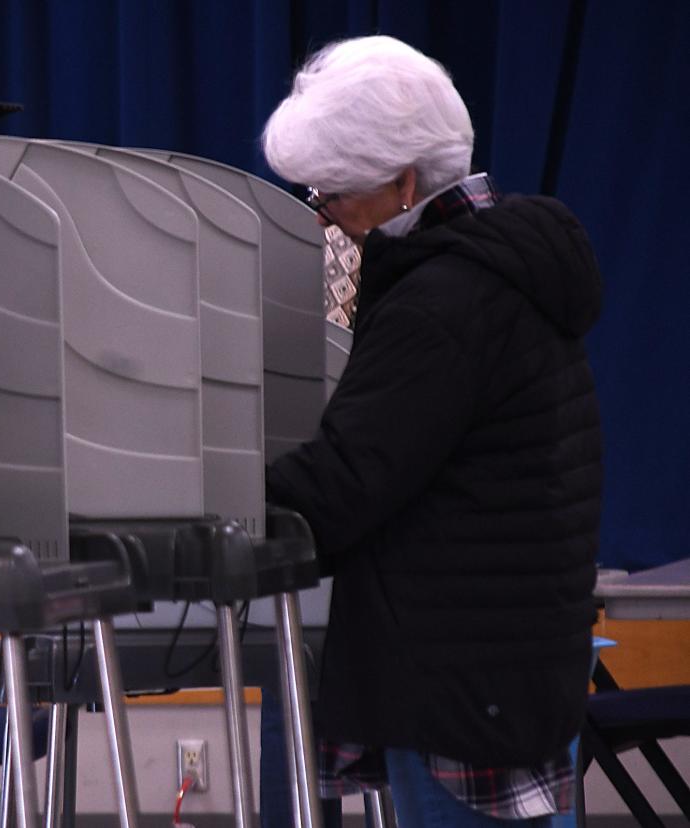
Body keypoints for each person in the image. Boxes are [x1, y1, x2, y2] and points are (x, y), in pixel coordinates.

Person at [258, 35, 603, 827]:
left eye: (335, 196)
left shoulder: (438, 302)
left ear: (403, 183)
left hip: (459, 677)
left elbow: (349, 481)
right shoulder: (510, 267)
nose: (328, 217)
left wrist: (211, 493)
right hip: (513, 661)